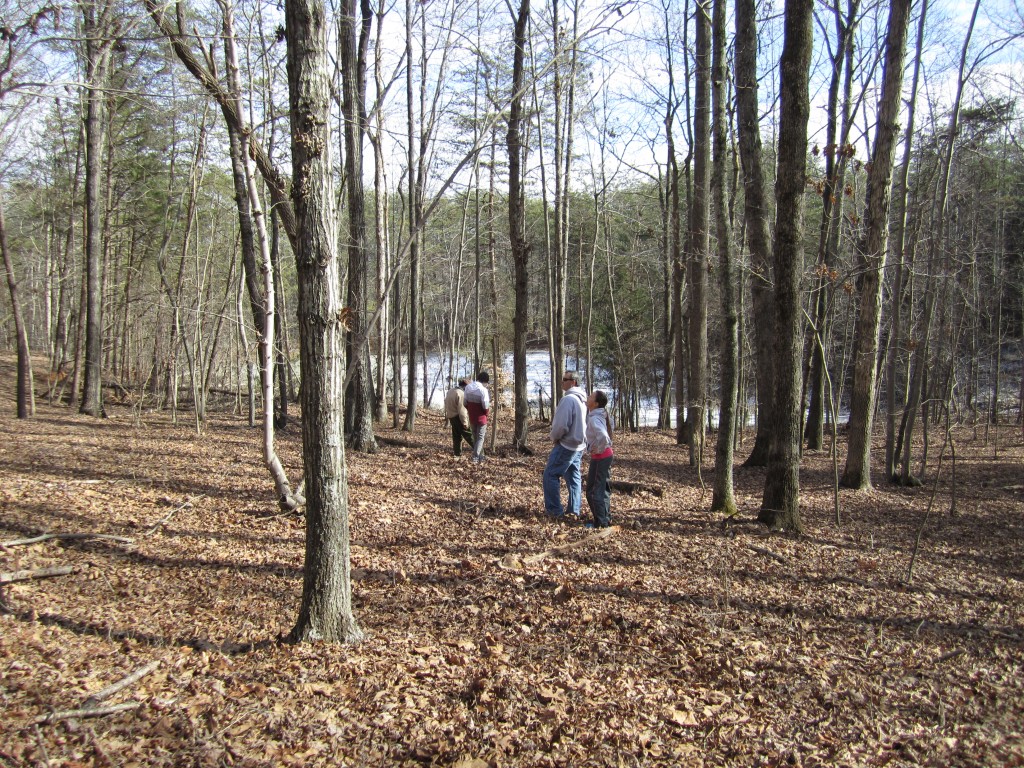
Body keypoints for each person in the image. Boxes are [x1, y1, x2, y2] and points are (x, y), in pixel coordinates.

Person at [543, 370, 587, 518]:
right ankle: (574, 510)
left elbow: (561, 425)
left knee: (550, 475)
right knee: (574, 477)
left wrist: (554, 437)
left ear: (573, 382)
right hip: (579, 445)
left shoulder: (569, 400)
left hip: (567, 445)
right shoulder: (583, 399)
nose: (562, 382)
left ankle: (555, 511)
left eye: (565, 379)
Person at [584, 389, 614, 528]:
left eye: (590, 396)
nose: (588, 397)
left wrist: (600, 448)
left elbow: (604, 436)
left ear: (595, 404)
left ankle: (601, 522)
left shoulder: (595, 418)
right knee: (602, 488)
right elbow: (609, 429)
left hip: (601, 456)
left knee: (593, 490)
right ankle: (605, 518)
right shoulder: (600, 415)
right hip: (605, 455)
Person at [463, 370, 490, 463]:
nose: (487, 384)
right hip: (481, 418)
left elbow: (465, 403)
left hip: (472, 416)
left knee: (475, 437)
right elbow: (485, 406)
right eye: (487, 382)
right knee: (480, 438)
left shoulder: (468, 387)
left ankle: (481, 457)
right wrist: (486, 414)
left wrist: (470, 409)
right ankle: (475, 457)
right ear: (485, 381)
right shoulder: (483, 390)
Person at [444, 378, 474, 456]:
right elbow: (462, 410)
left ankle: (457, 455)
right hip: (458, 418)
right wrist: (465, 422)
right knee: (470, 437)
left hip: (451, 417)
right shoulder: (461, 393)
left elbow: (446, 404)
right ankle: (481, 454)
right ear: (466, 387)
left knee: (456, 437)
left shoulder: (450, 391)